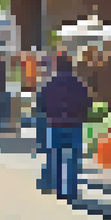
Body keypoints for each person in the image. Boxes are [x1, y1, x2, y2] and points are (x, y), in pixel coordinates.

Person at [38, 53, 92, 201]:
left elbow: (41, 103)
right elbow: (88, 102)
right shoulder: (79, 83)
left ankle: (59, 189)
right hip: (74, 124)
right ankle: (71, 190)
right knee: (73, 159)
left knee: (56, 157)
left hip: (55, 124)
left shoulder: (50, 83)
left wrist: (49, 113)